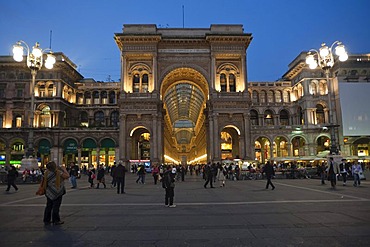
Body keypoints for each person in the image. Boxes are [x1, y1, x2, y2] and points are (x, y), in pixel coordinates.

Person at [41, 161, 69, 225]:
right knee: (56, 206)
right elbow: (67, 176)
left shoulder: (46, 173)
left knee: (49, 206)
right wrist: (64, 169)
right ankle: (56, 220)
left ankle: (46, 219)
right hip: (58, 192)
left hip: (49, 192)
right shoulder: (58, 172)